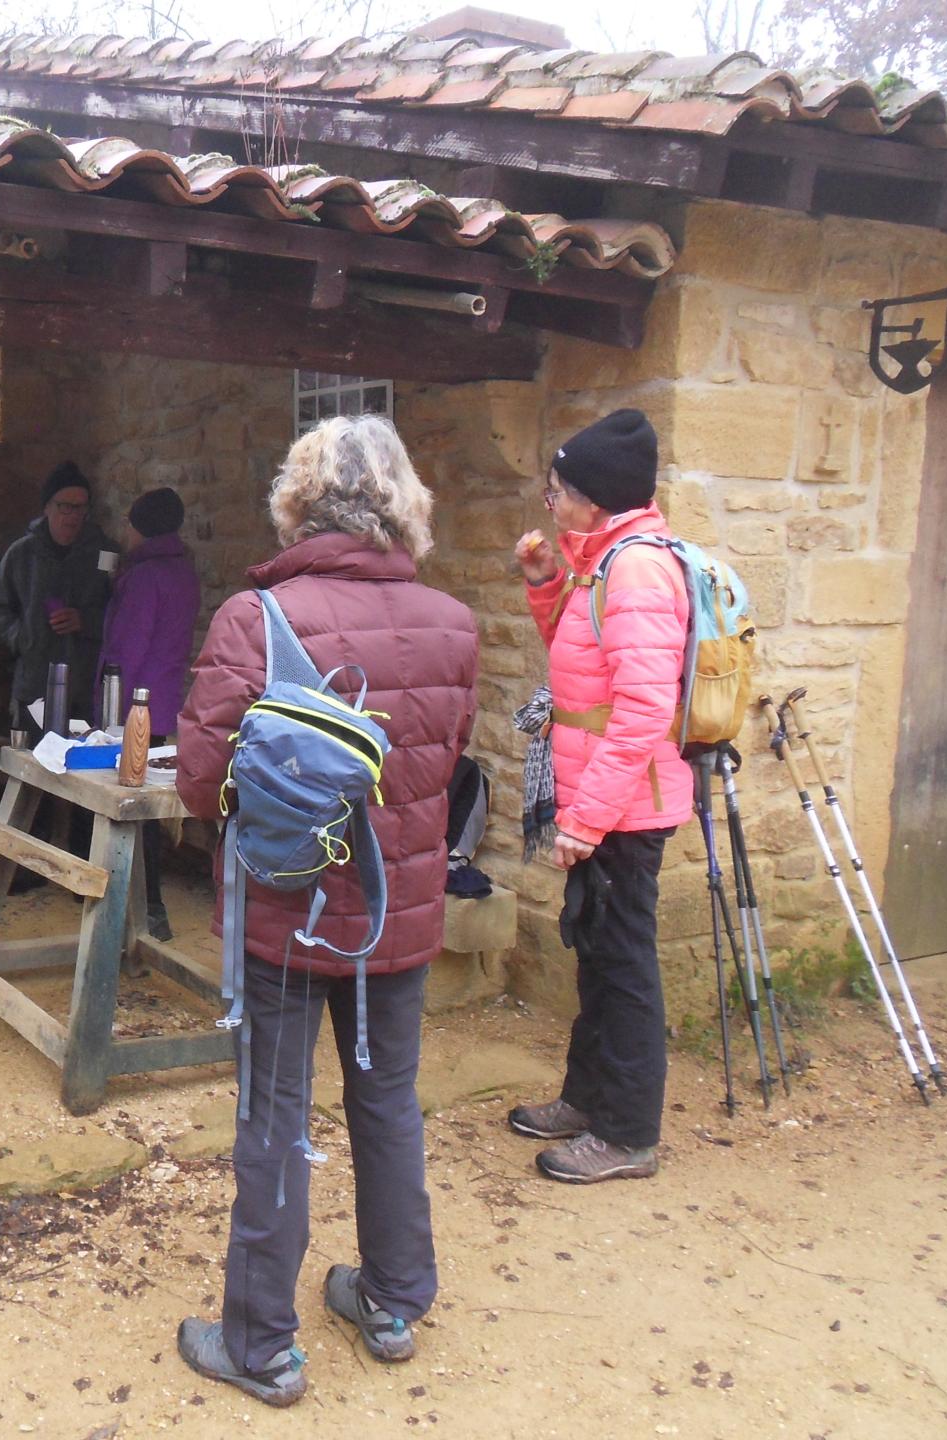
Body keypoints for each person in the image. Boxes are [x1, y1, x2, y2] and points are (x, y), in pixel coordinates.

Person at [173, 415, 478, 1407]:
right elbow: (446, 763)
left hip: (282, 912)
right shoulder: (454, 624)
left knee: (273, 1114)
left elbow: (200, 781)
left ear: (298, 502)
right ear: (404, 505)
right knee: (387, 1100)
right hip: (400, 914)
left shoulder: (255, 620)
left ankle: (261, 1342)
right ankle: (391, 1301)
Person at [509, 407, 691, 1185]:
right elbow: (579, 663)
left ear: (596, 497)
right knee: (597, 956)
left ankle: (627, 1134)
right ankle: (587, 1101)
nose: (550, 501)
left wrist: (586, 818)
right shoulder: (602, 562)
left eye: (558, 489)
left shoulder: (639, 568)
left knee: (623, 968)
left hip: (623, 807)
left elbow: (644, 712)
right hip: (606, 802)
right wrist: (547, 584)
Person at [96, 486, 200, 941]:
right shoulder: (184, 572)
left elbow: (126, 648)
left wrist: (107, 707)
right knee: (149, 815)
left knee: (126, 811)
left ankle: (141, 909)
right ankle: (149, 909)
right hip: (163, 705)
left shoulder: (143, 578)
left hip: (133, 708)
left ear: (138, 527)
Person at [0, 461, 117, 736]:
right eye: (64, 506)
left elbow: (120, 610)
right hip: (35, 684)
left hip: (86, 684)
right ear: (47, 507)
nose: (72, 515)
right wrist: (22, 637)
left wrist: (86, 621)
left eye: (80, 507)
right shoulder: (21, 554)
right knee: (34, 764)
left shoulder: (105, 553)